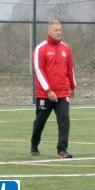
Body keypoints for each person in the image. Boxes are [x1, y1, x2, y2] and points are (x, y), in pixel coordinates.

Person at [30, 20, 76, 158]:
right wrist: (48, 90)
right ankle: (34, 145)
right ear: (49, 32)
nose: (59, 32)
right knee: (40, 121)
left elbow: (70, 69)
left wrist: (72, 86)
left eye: (60, 30)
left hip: (62, 92)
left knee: (64, 120)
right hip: (45, 94)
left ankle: (62, 150)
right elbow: (39, 70)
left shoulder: (66, 49)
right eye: (56, 30)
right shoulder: (41, 48)